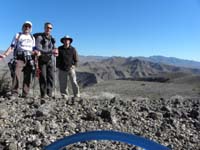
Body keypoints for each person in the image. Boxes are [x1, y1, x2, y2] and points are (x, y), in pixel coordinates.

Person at [0, 21, 36, 97]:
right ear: (23, 27)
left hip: (29, 58)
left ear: (30, 28)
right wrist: (5, 55)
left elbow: (34, 49)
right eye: (25, 26)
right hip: (19, 57)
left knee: (27, 76)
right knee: (16, 73)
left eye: (29, 27)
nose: (27, 28)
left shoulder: (32, 37)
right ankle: (14, 93)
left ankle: (25, 94)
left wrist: (37, 53)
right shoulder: (18, 35)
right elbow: (12, 46)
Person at [34, 22, 58, 98]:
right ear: (44, 28)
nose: (49, 29)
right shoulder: (40, 37)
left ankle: (49, 93)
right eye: (47, 27)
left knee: (51, 77)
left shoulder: (52, 39)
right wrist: (51, 51)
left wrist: (56, 51)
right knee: (43, 77)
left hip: (50, 59)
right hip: (42, 59)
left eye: (50, 28)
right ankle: (43, 94)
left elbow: (54, 48)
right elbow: (38, 48)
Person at [56, 35, 80, 99]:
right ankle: (64, 95)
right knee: (63, 83)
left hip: (71, 68)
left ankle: (77, 95)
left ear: (69, 41)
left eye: (67, 40)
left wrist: (74, 66)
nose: (66, 41)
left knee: (74, 82)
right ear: (63, 41)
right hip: (62, 68)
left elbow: (76, 59)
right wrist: (58, 66)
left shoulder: (73, 49)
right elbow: (57, 58)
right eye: (65, 40)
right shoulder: (59, 49)